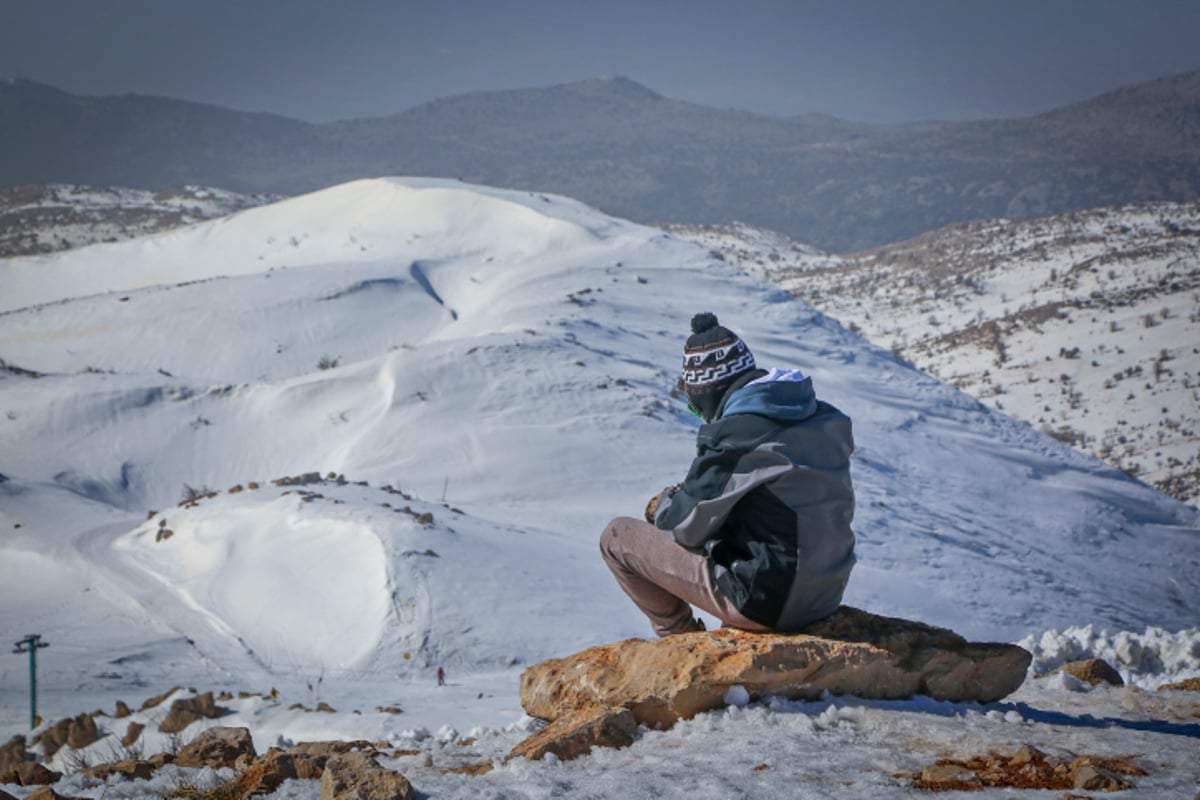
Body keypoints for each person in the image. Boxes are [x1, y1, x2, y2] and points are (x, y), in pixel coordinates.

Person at [600, 312, 856, 636]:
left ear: (707, 394)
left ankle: (680, 641)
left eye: (696, 405)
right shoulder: (817, 414)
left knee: (616, 537)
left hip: (771, 604)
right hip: (826, 594)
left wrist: (664, 502)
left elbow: (680, 524)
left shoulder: (739, 435)